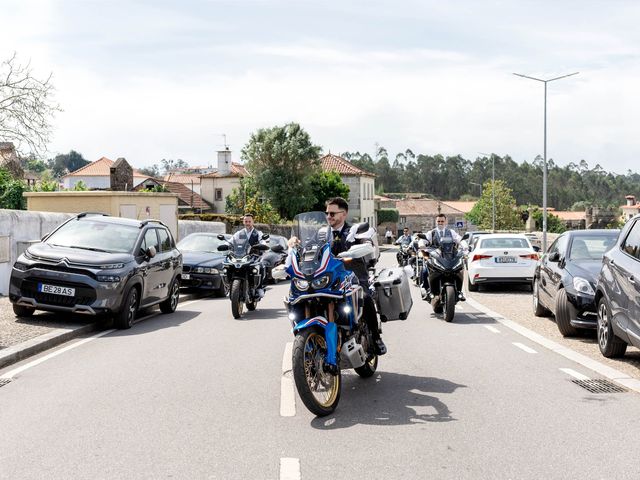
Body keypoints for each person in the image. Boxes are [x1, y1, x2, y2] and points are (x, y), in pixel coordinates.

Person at [325, 197, 386, 355]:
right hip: (330, 281)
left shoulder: (355, 231)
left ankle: (376, 337)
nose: (329, 216)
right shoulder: (322, 234)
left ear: (343, 214)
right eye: (327, 213)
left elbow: (367, 244)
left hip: (354, 278)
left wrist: (363, 246)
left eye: (332, 213)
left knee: (365, 298)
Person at [422, 213, 464, 301]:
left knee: (459, 270)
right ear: (435, 222)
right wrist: (421, 245)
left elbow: (459, 239)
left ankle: (459, 292)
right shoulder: (431, 233)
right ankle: (427, 291)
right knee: (425, 270)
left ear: (446, 222)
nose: (440, 223)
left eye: (442, 221)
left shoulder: (451, 232)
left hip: (448, 257)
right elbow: (424, 240)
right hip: (435, 257)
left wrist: (464, 244)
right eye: (438, 221)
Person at [233, 213, 267, 297]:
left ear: (252, 222)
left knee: (261, 266)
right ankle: (232, 287)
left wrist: (263, 244)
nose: (247, 223)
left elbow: (263, 240)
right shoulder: (239, 233)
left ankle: (259, 288)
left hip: (254, 256)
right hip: (241, 256)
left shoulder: (258, 233)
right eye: (246, 221)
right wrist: (226, 244)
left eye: (249, 221)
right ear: (243, 222)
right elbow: (231, 240)